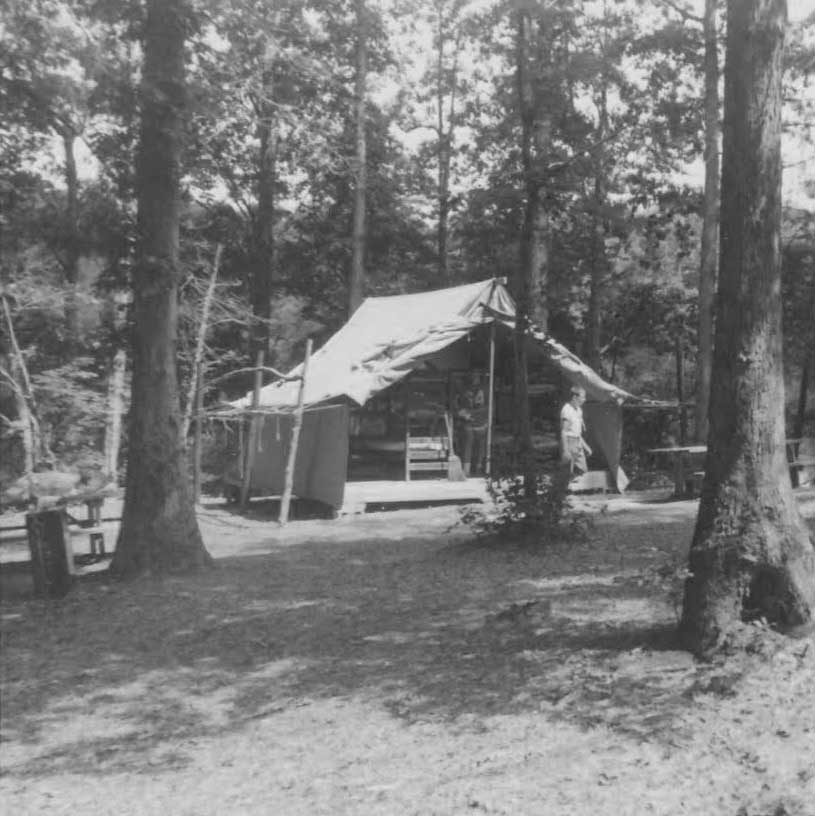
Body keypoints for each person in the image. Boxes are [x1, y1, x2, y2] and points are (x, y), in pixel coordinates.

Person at [457, 373, 489, 476]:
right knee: (467, 444)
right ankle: (466, 470)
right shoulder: (463, 390)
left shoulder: (485, 390)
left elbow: (490, 405)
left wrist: (488, 419)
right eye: (473, 377)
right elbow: (456, 405)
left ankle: (478, 468)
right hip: (468, 421)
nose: (474, 379)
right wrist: (462, 414)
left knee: (481, 446)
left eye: (476, 377)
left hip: (482, 420)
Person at [559, 385, 592, 478]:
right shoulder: (567, 410)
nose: (584, 400)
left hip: (578, 442)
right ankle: (564, 489)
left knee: (583, 470)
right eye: (583, 397)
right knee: (567, 471)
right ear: (574, 397)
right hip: (569, 442)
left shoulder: (579, 410)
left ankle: (571, 485)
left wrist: (586, 447)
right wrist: (565, 450)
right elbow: (564, 431)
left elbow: (577, 432)